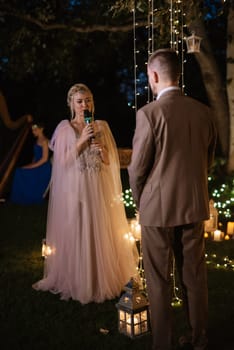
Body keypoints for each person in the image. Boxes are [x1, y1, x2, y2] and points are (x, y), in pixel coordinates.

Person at [128, 49, 217, 350]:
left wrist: (143, 204)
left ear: (154, 75)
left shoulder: (149, 114)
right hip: (193, 205)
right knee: (193, 275)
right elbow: (209, 160)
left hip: (158, 210)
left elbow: (137, 170)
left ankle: (163, 344)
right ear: (177, 74)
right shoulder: (204, 112)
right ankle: (198, 337)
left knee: (158, 280)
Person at [33, 83, 138, 303]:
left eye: (88, 100)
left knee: (99, 229)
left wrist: (102, 150)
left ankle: (101, 278)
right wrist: (82, 141)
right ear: (71, 104)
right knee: (79, 228)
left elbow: (110, 161)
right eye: (79, 101)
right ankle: (79, 279)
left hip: (97, 187)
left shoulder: (102, 126)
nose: (84, 105)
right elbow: (61, 162)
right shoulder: (65, 128)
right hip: (75, 189)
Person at [10, 121, 52, 204]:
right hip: (37, 165)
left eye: (35, 130)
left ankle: (27, 196)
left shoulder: (44, 141)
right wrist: (30, 164)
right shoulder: (37, 140)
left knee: (19, 172)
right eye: (32, 130)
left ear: (41, 129)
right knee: (19, 171)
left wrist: (30, 167)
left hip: (43, 168)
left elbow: (44, 159)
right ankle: (21, 196)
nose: (33, 132)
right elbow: (35, 156)